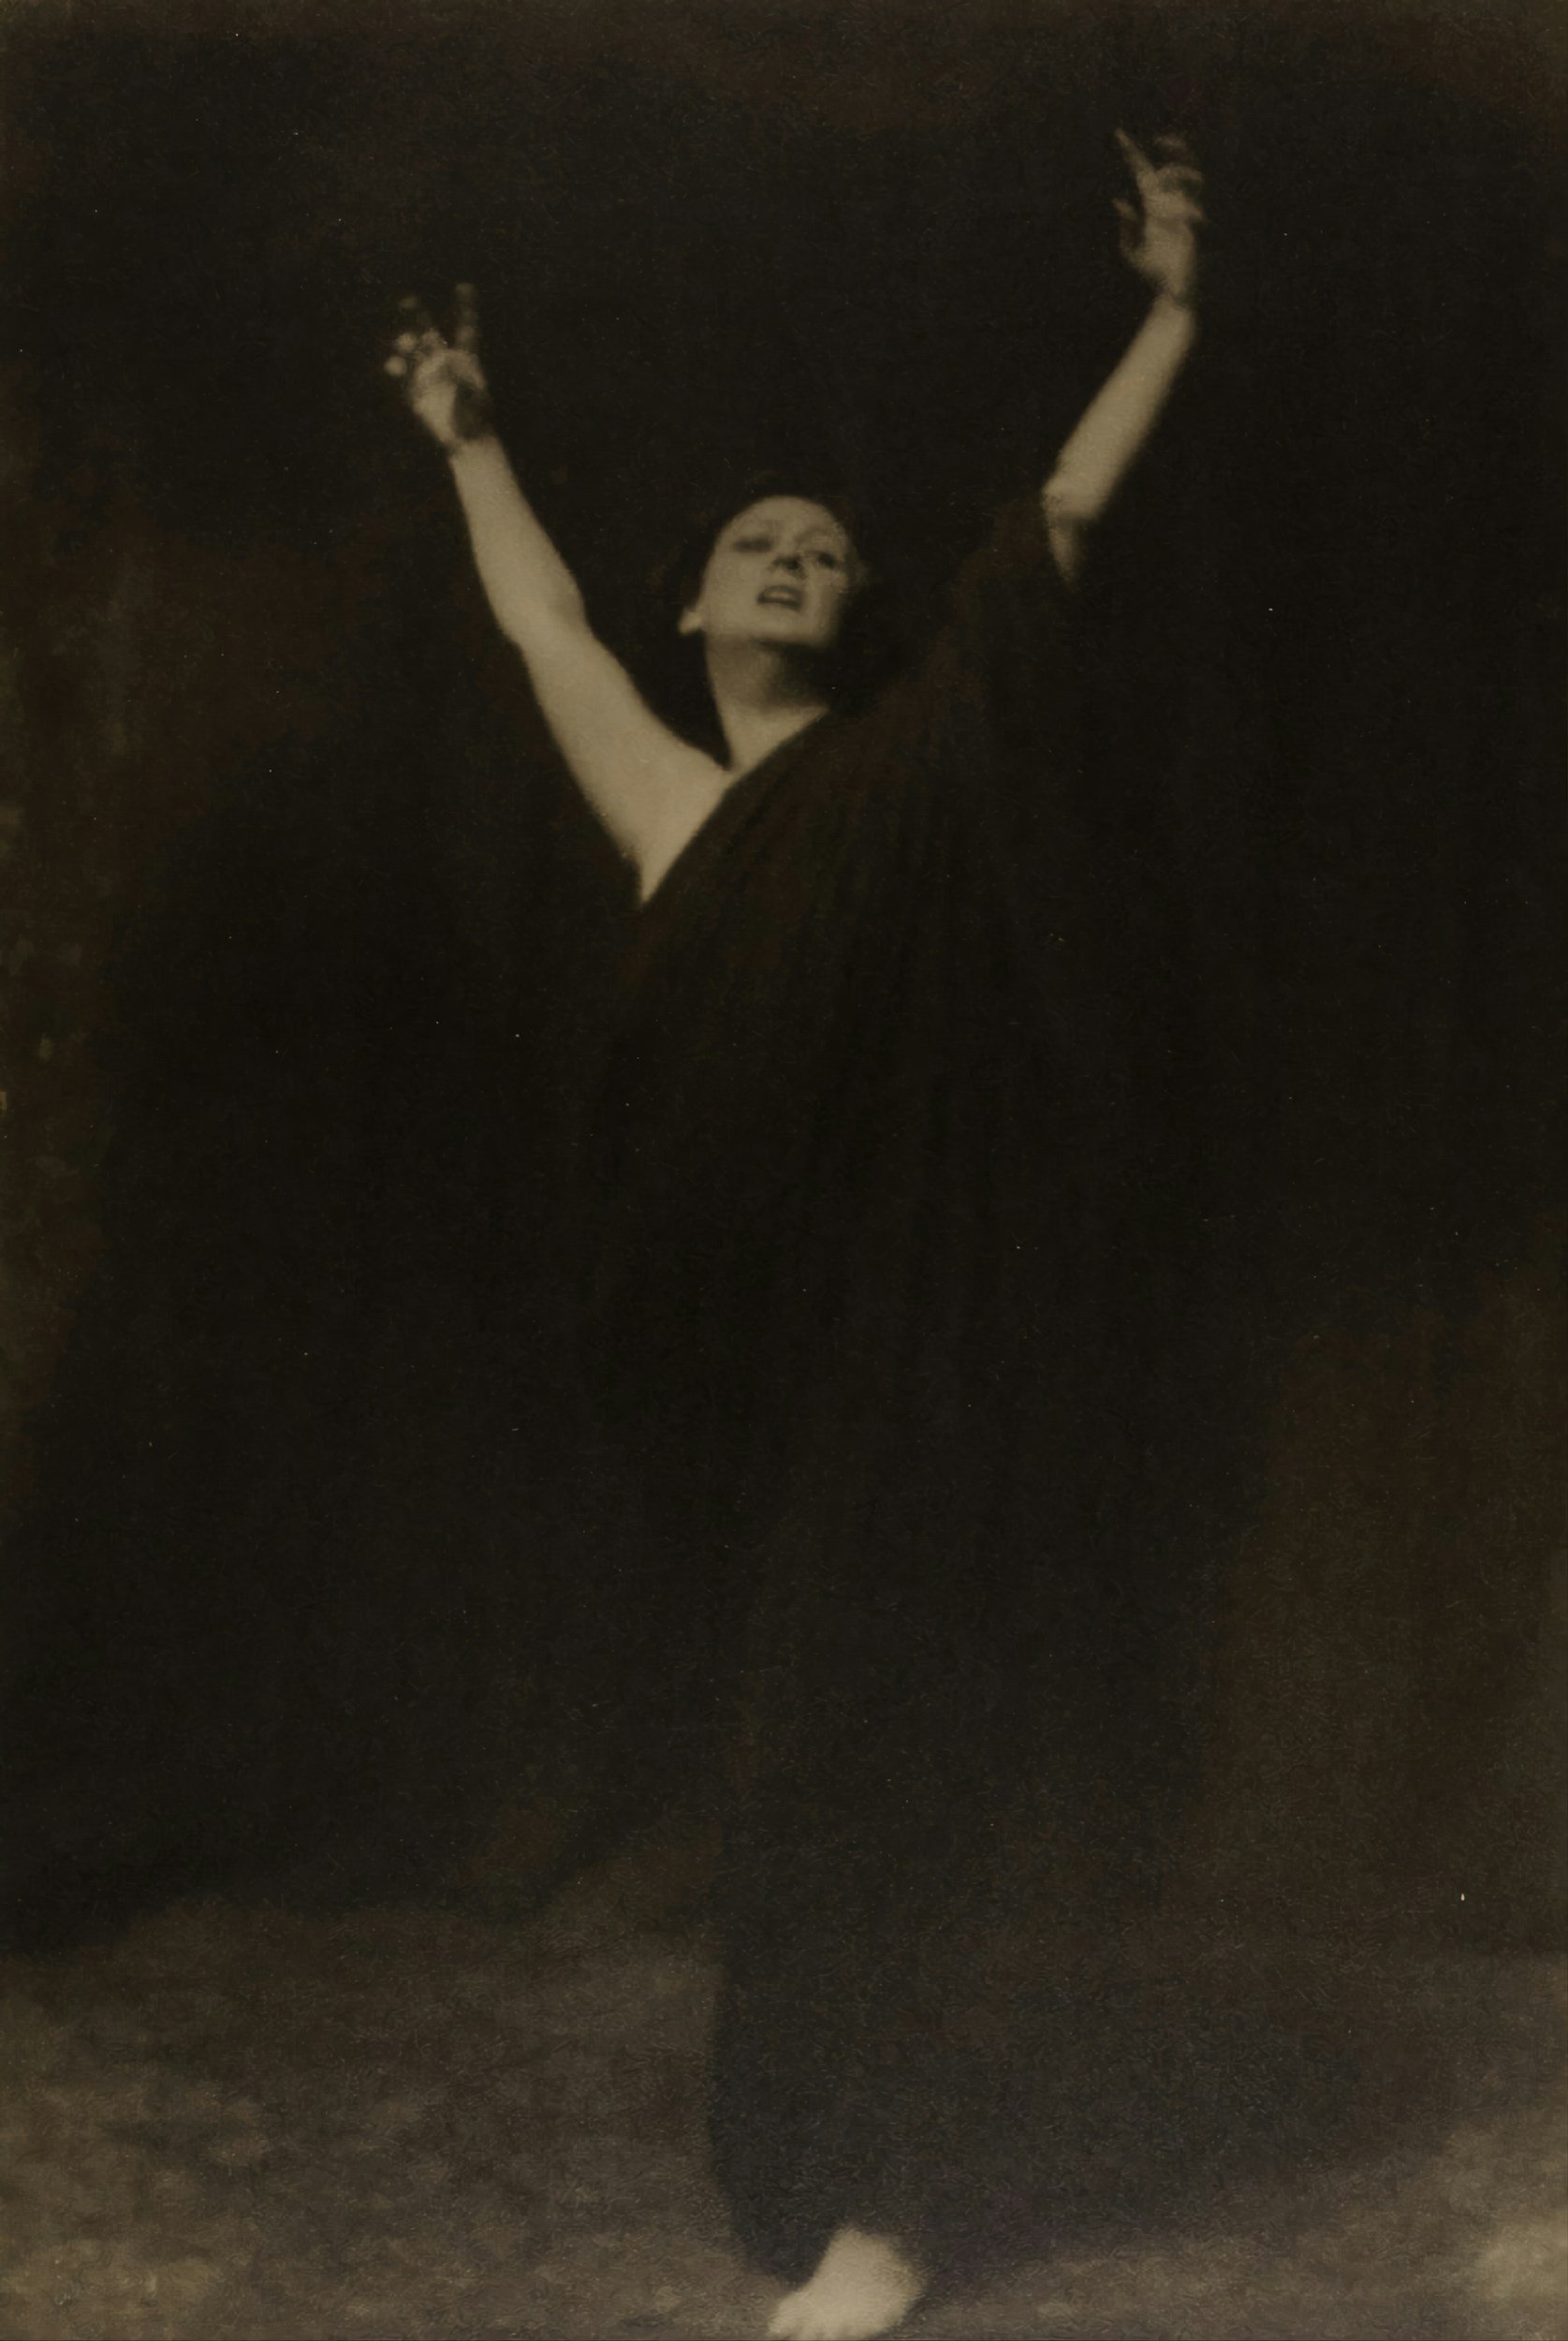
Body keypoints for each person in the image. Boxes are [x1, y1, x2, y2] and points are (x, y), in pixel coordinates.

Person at [390, 131, 1208, 2341]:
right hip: (748, 1390)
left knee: (872, 1746)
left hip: (914, 1359)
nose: (793, 557)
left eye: (825, 547)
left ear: (851, 615)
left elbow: (1043, 531)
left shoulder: (915, 769)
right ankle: (835, 2166)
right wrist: (470, 439)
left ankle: (895, 2203)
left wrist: (1171, 312)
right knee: (788, 1768)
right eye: (755, 540)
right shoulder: (668, 808)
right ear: (698, 602)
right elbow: (535, 616)